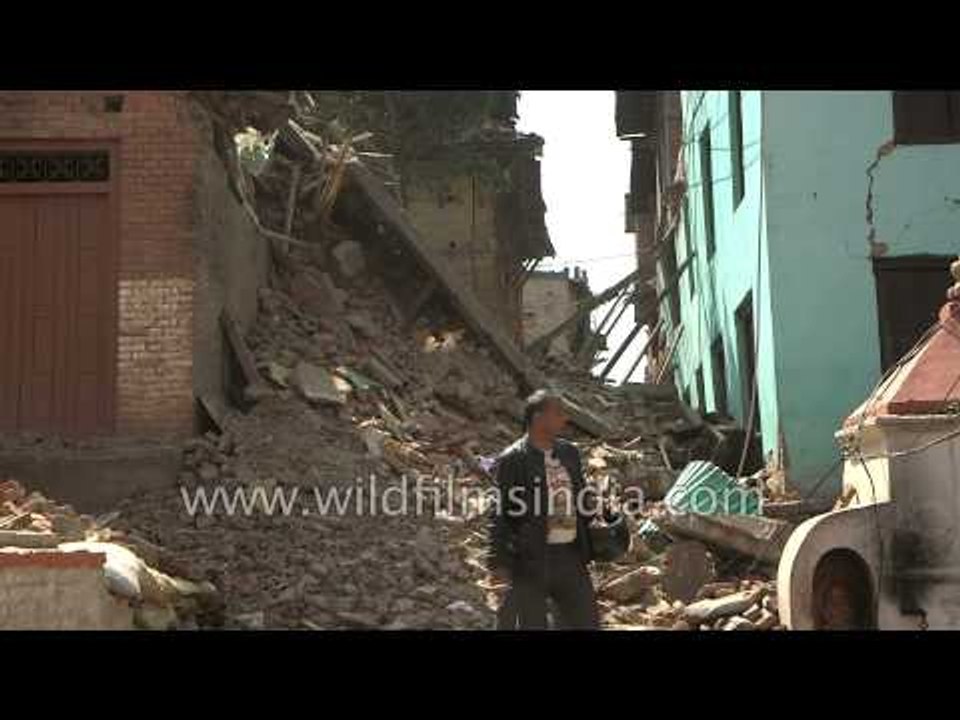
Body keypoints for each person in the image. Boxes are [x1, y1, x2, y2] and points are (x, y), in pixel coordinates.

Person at [487, 389, 600, 629]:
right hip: (532, 560)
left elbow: (580, 494)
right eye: (558, 413)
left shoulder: (569, 453)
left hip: (571, 555)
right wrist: (498, 561)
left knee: (586, 622)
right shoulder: (513, 459)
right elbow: (500, 511)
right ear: (538, 418)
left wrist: (594, 520)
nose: (565, 419)